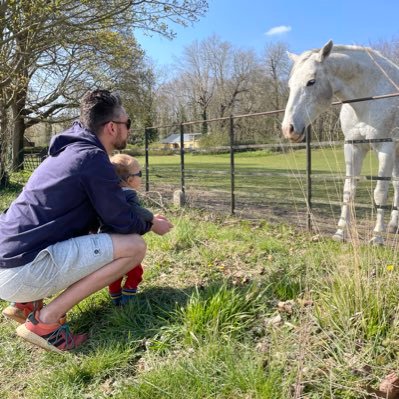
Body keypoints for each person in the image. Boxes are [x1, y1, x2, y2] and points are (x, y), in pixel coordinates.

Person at [0, 89, 173, 353]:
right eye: (128, 123)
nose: (129, 128)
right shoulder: (92, 158)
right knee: (134, 247)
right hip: (21, 271)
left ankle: (26, 304)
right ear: (112, 127)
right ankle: (45, 323)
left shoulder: (68, 150)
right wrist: (151, 222)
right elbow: (122, 221)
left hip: (11, 263)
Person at [104, 153, 152, 306]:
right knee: (135, 272)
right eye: (140, 174)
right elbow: (135, 210)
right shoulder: (129, 195)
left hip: (108, 241)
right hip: (125, 241)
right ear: (130, 179)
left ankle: (115, 298)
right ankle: (128, 300)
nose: (141, 177)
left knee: (114, 273)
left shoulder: (106, 195)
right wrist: (152, 217)